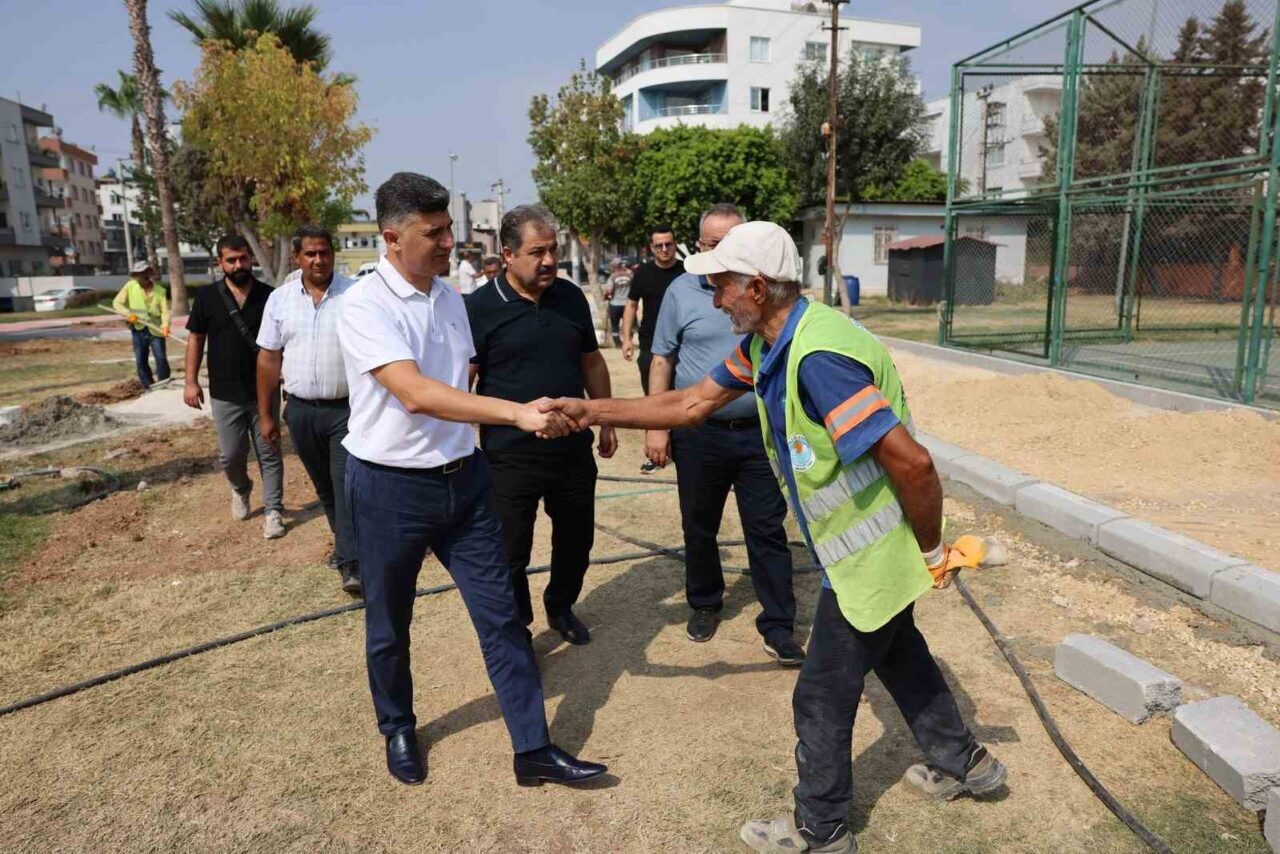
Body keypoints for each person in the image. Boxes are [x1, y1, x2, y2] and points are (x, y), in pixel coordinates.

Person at [543, 221, 1007, 853]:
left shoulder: (818, 361)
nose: (714, 300)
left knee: (821, 695)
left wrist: (931, 550)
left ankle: (821, 828)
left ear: (757, 288)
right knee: (902, 656)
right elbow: (690, 405)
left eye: (722, 287)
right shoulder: (771, 344)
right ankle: (968, 764)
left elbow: (914, 464)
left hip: (870, 558)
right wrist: (589, 410)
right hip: (866, 552)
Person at [338, 172, 606, 788]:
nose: (447, 242)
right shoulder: (365, 305)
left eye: (448, 229)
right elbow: (415, 392)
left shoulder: (450, 298)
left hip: (465, 481)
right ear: (391, 238)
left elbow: (464, 383)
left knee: (501, 618)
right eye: (433, 233)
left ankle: (532, 749)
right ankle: (398, 725)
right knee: (389, 625)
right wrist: (516, 414)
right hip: (390, 488)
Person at [646, 204, 801, 664]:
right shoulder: (680, 291)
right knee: (699, 523)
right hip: (700, 432)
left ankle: (779, 624)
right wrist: (658, 426)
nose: (717, 251)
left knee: (767, 528)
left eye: (727, 243)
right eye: (710, 243)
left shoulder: (766, 293)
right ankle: (705, 602)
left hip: (758, 432)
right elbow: (662, 359)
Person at [466, 205, 617, 647]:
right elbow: (464, 381)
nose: (549, 260)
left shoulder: (570, 297)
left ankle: (561, 605)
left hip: (571, 450)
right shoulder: (478, 307)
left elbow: (592, 361)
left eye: (552, 250)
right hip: (509, 456)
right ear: (508, 254)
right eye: (537, 252)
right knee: (510, 551)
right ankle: (519, 629)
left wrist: (605, 419)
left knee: (576, 540)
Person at [256, 225, 360, 595]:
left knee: (345, 484)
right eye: (310, 254)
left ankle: (351, 564)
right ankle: (347, 548)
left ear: (333, 254)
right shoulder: (280, 300)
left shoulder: (356, 295)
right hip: (300, 411)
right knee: (325, 486)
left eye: (324, 252)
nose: (318, 260)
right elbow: (268, 359)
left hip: (346, 412)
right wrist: (267, 415)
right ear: (297, 258)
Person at [184, 234, 286, 540]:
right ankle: (241, 487)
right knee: (230, 455)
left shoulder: (270, 296)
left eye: (243, 258)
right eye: (231, 260)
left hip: (264, 391)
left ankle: (273, 510)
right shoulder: (207, 297)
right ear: (220, 263)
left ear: (250, 258)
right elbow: (196, 339)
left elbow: (284, 341)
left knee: (269, 451)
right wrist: (190, 381)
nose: (239, 265)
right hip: (224, 392)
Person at [621, 224, 683, 472]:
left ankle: (680, 451)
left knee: (682, 400)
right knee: (653, 402)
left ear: (674, 244)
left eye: (668, 244)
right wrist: (626, 338)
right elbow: (631, 305)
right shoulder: (643, 273)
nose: (664, 249)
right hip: (650, 346)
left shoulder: (686, 271)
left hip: (682, 346)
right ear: (651, 248)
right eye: (659, 245)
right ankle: (655, 454)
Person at [113, 261, 171, 389]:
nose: (142, 276)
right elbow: (117, 303)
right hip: (138, 329)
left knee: (161, 359)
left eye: (144, 273)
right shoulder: (130, 286)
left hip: (156, 330)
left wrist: (165, 325)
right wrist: (129, 314)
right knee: (141, 360)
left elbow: (165, 311)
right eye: (138, 274)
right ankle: (148, 386)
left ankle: (164, 384)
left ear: (149, 273)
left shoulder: (160, 291)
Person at [603, 257, 632, 348]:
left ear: (614, 266)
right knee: (629, 324)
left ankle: (618, 344)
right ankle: (629, 340)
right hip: (627, 304)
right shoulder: (629, 276)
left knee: (615, 324)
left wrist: (606, 296)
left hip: (615, 304)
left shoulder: (613, 277)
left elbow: (609, 291)